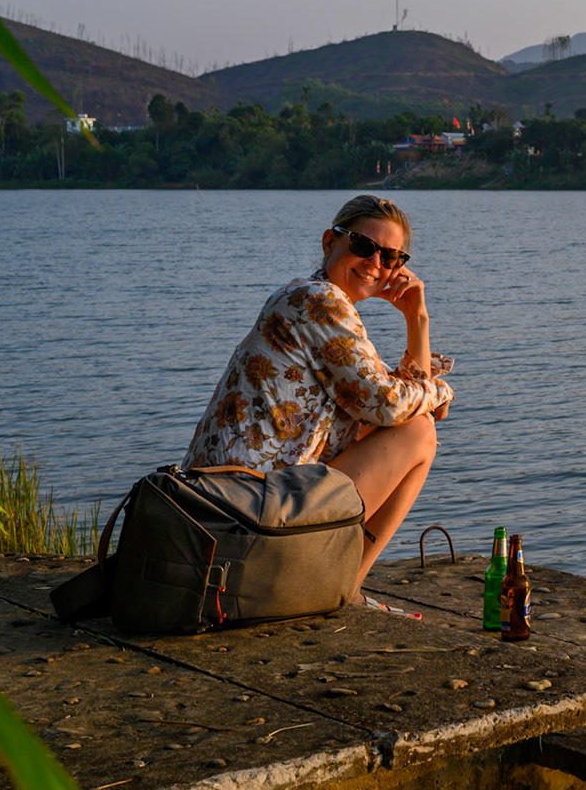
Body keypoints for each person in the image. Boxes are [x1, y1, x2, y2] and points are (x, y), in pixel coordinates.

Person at [184, 195, 450, 613]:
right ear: (330, 243)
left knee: (403, 424)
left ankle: (341, 588)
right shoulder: (318, 301)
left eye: (392, 257)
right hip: (246, 514)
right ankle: (344, 591)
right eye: (363, 246)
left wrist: (417, 317)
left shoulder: (315, 303)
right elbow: (388, 405)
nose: (376, 263)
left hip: (234, 508)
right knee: (418, 432)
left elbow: (394, 395)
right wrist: (440, 393)